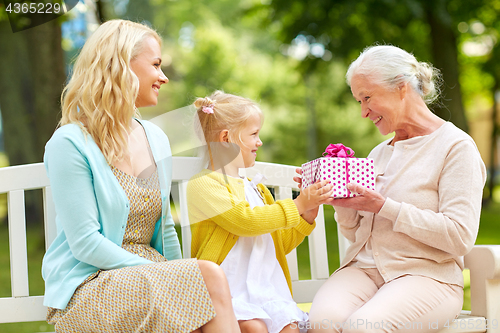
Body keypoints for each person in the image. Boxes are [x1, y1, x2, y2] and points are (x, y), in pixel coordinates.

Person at [41, 19, 240, 333]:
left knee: (202, 283)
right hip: (91, 284)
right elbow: (85, 244)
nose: (163, 77)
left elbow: (166, 228)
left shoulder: (155, 138)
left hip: (149, 277)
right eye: (156, 65)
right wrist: (172, 275)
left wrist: (177, 273)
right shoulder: (70, 143)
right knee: (207, 277)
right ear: (121, 66)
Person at [300, 45, 487, 332]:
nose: (363, 112)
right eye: (358, 101)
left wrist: (384, 207)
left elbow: (459, 236)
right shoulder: (378, 153)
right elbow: (355, 235)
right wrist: (337, 198)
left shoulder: (456, 148)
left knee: (363, 329)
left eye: (367, 97)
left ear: (401, 87)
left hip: (427, 276)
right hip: (364, 270)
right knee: (324, 324)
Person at [186, 91, 334, 333]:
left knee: (290, 329)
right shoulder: (204, 184)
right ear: (226, 139)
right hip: (229, 291)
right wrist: (298, 205)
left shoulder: (257, 189)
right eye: (254, 134)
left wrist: (306, 217)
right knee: (255, 327)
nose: (259, 141)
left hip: (268, 290)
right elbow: (245, 222)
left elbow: (274, 245)